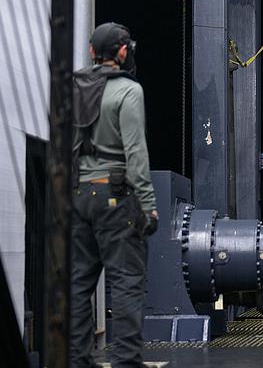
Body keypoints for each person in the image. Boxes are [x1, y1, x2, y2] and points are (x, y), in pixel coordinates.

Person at [70, 22, 157, 368]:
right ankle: (125, 364)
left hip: (77, 197)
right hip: (116, 198)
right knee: (125, 285)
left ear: (92, 52)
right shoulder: (127, 91)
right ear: (122, 52)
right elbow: (136, 154)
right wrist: (148, 207)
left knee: (78, 286)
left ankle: (77, 361)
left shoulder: (73, 87)